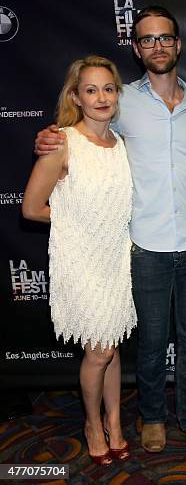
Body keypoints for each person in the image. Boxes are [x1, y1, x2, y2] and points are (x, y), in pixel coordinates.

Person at [34, 6, 186, 457]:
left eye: (165, 38)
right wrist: (47, 139)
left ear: (178, 44)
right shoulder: (121, 102)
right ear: (136, 48)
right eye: (148, 39)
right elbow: (81, 140)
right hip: (145, 245)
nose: (158, 45)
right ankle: (152, 418)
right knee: (151, 342)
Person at [23, 55, 136, 465]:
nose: (101, 97)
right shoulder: (63, 141)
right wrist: (79, 223)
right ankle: (92, 424)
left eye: (108, 88)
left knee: (113, 343)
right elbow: (32, 208)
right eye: (91, 90)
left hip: (115, 259)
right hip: (81, 260)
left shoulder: (120, 144)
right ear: (76, 96)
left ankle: (116, 421)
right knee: (99, 351)